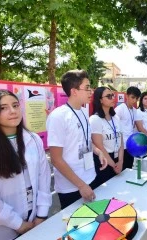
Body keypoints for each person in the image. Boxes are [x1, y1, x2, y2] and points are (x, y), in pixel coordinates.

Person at [0, 90, 52, 240]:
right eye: (3, 108)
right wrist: (18, 223)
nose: (13, 111)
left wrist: (42, 214)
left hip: (35, 220)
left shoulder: (33, 139)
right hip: (2, 230)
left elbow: (44, 178)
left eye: (15, 105)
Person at [46, 70, 107, 209]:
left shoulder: (84, 112)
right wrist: (81, 185)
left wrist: (98, 152)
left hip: (90, 177)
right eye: (87, 88)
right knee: (76, 226)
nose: (91, 91)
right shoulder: (58, 117)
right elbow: (56, 159)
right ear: (74, 91)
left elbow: (84, 141)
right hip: (71, 187)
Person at [90, 87, 124, 187]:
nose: (113, 98)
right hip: (104, 161)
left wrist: (120, 161)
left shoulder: (116, 117)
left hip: (118, 158)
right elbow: (99, 146)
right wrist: (113, 164)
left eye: (113, 95)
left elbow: (121, 142)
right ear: (100, 100)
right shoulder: (95, 119)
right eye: (109, 96)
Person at [115, 86, 141, 169]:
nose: (134, 100)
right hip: (121, 146)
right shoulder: (119, 109)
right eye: (132, 97)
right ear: (127, 96)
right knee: (122, 170)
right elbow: (115, 126)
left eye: (136, 98)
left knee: (129, 168)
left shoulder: (134, 110)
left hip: (130, 144)